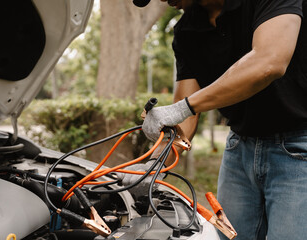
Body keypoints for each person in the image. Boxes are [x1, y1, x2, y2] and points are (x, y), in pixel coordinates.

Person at [123, 0, 307, 239]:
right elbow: (185, 117)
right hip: (239, 149)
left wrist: (184, 107)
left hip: (299, 147)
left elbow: (269, 62)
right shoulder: (187, 30)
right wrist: (155, 165)